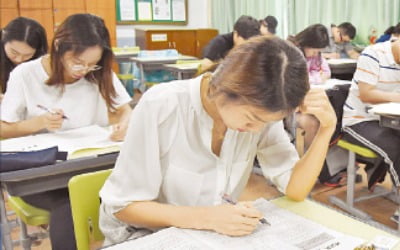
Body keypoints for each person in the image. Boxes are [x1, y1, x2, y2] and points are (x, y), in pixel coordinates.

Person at [99, 36, 337, 246]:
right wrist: (208, 217)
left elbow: (295, 189)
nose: (256, 129)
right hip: (145, 235)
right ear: (227, 88)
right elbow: (123, 207)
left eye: (266, 122)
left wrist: (327, 129)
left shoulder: (261, 115)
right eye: (252, 118)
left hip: (207, 236)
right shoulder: (163, 105)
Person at [0, 14, 132, 249]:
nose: (84, 70)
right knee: (70, 203)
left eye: (92, 63)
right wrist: (38, 123)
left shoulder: (97, 73)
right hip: (44, 175)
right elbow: (3, 128)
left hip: (90, 165)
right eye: (78, 62)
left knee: (131, 194)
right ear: (59, 45)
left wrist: (125, 124)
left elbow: (125, 110)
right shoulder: (26, 74)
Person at [341, 39, 400, 197]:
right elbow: (366, 94)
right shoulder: (373, 54)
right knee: (395, 145)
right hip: (359, 120)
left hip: (388, 119)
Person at [0, 17, 48, 100]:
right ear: (3, 38)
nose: (19, 59)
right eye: (14, 52)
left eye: (27, 55)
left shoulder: (42, 62)